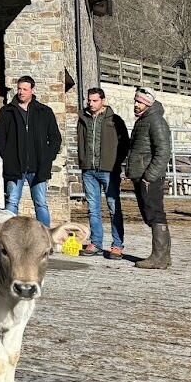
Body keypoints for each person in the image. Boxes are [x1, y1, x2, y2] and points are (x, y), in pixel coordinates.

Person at [0, 75, 62, 227]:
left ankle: (45, 240)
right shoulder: (7, 111)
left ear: (32, 90)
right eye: (19, 89)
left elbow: (56, 138)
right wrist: (8, 156)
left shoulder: (44, 111)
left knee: (41, 203)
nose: (21, 92)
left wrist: (47, 158)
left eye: (25, 89)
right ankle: (10, 239)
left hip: (38, 167)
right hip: (15, 167)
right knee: (12, 202)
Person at [76, 87, 129, 258]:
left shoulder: (115, 120)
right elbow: (81, 141)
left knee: (114, 207)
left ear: (103, 101)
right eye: (89, 101)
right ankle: (96, 243)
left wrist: (116, 163)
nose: (91, 104)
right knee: (93, 209)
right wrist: (83, 161)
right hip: (89, 170)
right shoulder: (83, 118)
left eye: (95, 100)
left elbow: (124, 144)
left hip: (108, 170)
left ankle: (117, 245)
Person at [127, 85, 172, 269]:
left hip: (149, 177)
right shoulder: (145, 120)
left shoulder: (156, 121)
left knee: (155, 214)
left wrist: (149, 176)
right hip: (143, 175)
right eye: (136, 101)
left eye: (140, 102)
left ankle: (159, 257)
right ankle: (163, 256)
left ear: (148, 103)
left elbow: (163, 151)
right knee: (151, 214)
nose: (136, 105)